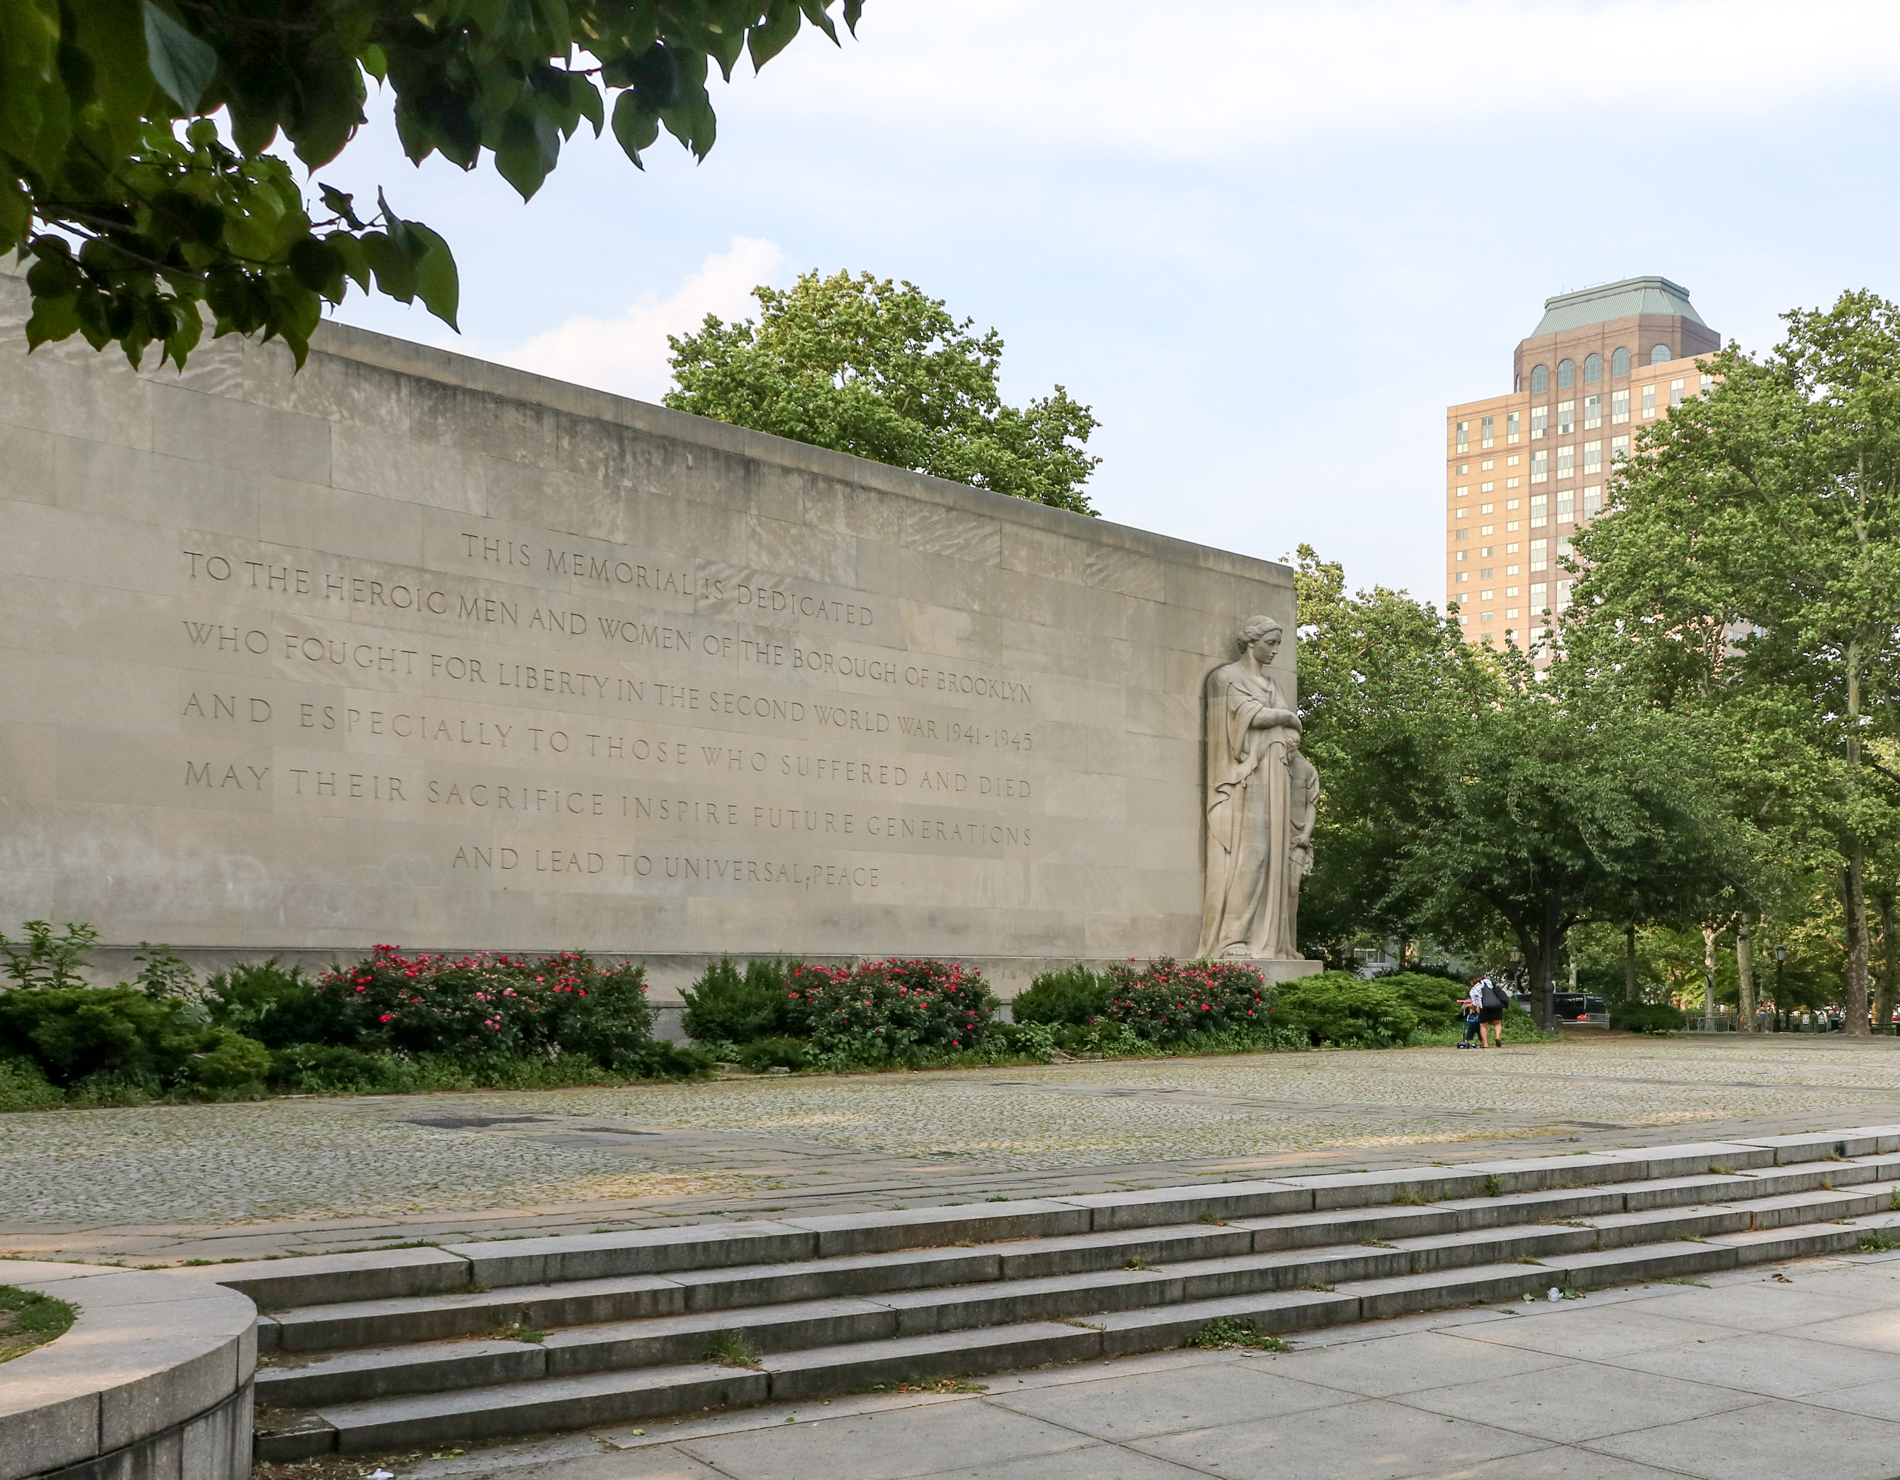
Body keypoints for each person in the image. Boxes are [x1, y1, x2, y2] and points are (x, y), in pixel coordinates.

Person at [1473, 973, 1508, 1048]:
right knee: (1497, 1023)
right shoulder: (1492, 985)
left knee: (1483, 1025)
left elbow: (1476, 1000)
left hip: (1485, 1006)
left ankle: (1485, 1044)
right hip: (1497, 1005)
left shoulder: (1477, 988)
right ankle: (1497, 1037)